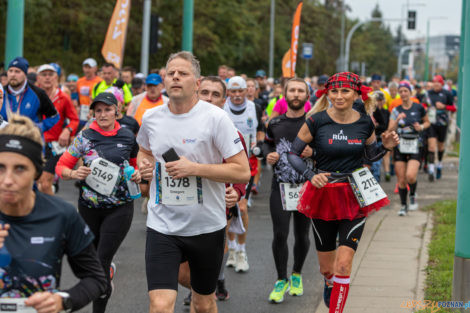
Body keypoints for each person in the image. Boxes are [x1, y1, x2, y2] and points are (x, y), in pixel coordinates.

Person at [137, 51, 250, 313]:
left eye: (183, 73)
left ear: (196, 83)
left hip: (206, 227)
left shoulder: (215, 118)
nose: (175, 77)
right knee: (160, 304)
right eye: (171, 73)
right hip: (162, 225)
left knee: (203, 304)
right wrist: (143, 165)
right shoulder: (152, 118)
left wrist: (194, 168)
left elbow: (242, 171)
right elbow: (144, 150)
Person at [287, 72, 398, 313]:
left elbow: (369, 156)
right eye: (334, 91)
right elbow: (293, 154)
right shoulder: (316, 121)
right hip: (323, 194)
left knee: (344, 265)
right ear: (327, 93)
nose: (338, 96)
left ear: (357, 94)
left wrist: (385, 147)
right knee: (328, 269)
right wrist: (310, 175)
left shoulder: (365, 122)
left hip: (354, 194)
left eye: (345, 91)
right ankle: (329, 282)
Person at [0, 114, 107, 312]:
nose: (7, 179)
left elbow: (97, 279)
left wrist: (63, 300)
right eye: (0, 167)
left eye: (20, 168)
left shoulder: (61, 215)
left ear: (37, 172)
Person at [56, 92, 141, 313]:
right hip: (89, 208)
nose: (103, 114)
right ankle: (105, 276)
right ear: (94, 113)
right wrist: (74, 174)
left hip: (119, 208)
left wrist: (138, 174)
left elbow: (134, 166)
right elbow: (60, 167)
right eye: (99, 110)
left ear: (117, 111)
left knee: (101, 263)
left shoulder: (127, 137)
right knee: (91, 263)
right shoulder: (84, 137)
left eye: (108, 109)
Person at [179, 76, 248, 304]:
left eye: (216, 94)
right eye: (205, 92)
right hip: (182, 202)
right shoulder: (178, 126)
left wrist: (237, 192)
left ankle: (212, 282)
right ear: (196, 94)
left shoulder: (231, 132)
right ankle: (202, 285)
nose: (209, 98)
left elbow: (242, 170)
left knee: (213, 250)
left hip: (218, 204)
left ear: (224, 100)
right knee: (182, 270)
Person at [263, 78, 312, 303]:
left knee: (302, 235)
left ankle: (296, 274)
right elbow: (267, 144)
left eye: (300, 91)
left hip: (306, 187)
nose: (296, 94)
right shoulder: (275, 123)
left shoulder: (314, 123)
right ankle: (281, 279)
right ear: (285, 94)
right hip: (280, 186)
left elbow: (326, 150)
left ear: (307, 96)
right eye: (292, 90)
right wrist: (268, 154)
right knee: (280, 234)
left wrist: (315, 153)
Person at [224, 76, 264, 273]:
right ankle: (230, 249)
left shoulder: (254, 107)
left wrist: (258, 143)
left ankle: (241, 250)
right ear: (228, 92)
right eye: (234, 91)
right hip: (224, 163)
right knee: (228, 209)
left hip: (247, 163)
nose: (238, 95)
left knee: (242, 208)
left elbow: (261, 131)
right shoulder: (221, 108)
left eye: (241, 91)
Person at [387, 82, 430, 216]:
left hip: (416, 145)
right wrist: (397, 120)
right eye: (401, 91)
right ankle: (403, 206)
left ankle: (412, 194)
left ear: (410, 92)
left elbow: (427, 122)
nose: (403, 93)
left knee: (410, 176)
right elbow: (389, 130)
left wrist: (421, 127)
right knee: (401, 179)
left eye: (406, 91)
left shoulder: (419, 108)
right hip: (400, 145)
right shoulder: (396, 110)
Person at [36, 64, 79, 195]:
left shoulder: (63, 97)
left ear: (56, 77)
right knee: (35, 184)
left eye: (51, 74)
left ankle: (51, 213)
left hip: (55, 146)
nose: (47, 78)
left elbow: (74, 119)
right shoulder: (33, 95)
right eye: (44, 75)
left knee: (44, 182)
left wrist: (67, 131)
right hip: (35, 143)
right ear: (38, 78)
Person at [1, 57, 59, 132]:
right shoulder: (1, 92)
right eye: (10, 71)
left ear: (25, 74)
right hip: (4, 140)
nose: (13, 75)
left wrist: (37, 128)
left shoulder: (38, 93)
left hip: (30, 140)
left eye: (17, 71)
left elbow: (54, 117)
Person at [425, 75, 456, 181]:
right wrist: (426, 107)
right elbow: (423, 104)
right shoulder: (428, 93)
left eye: (438, 82)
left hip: (443, 123)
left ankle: (439, 165)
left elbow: (453, 108)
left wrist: (444, 107)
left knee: (441, 146)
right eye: (434, 82)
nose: (436, 84)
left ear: (442, 83)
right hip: (431, 122)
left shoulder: (447, 93)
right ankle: (431, 169)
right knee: (432, 147)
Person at [77, 58, 102, 125]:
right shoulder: (79, 81)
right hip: (82, 112)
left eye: (89, 67)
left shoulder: (100, 81)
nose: (87, 70)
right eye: (85, 67)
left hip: (93, 111)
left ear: (95, 68)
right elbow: (77, 97)